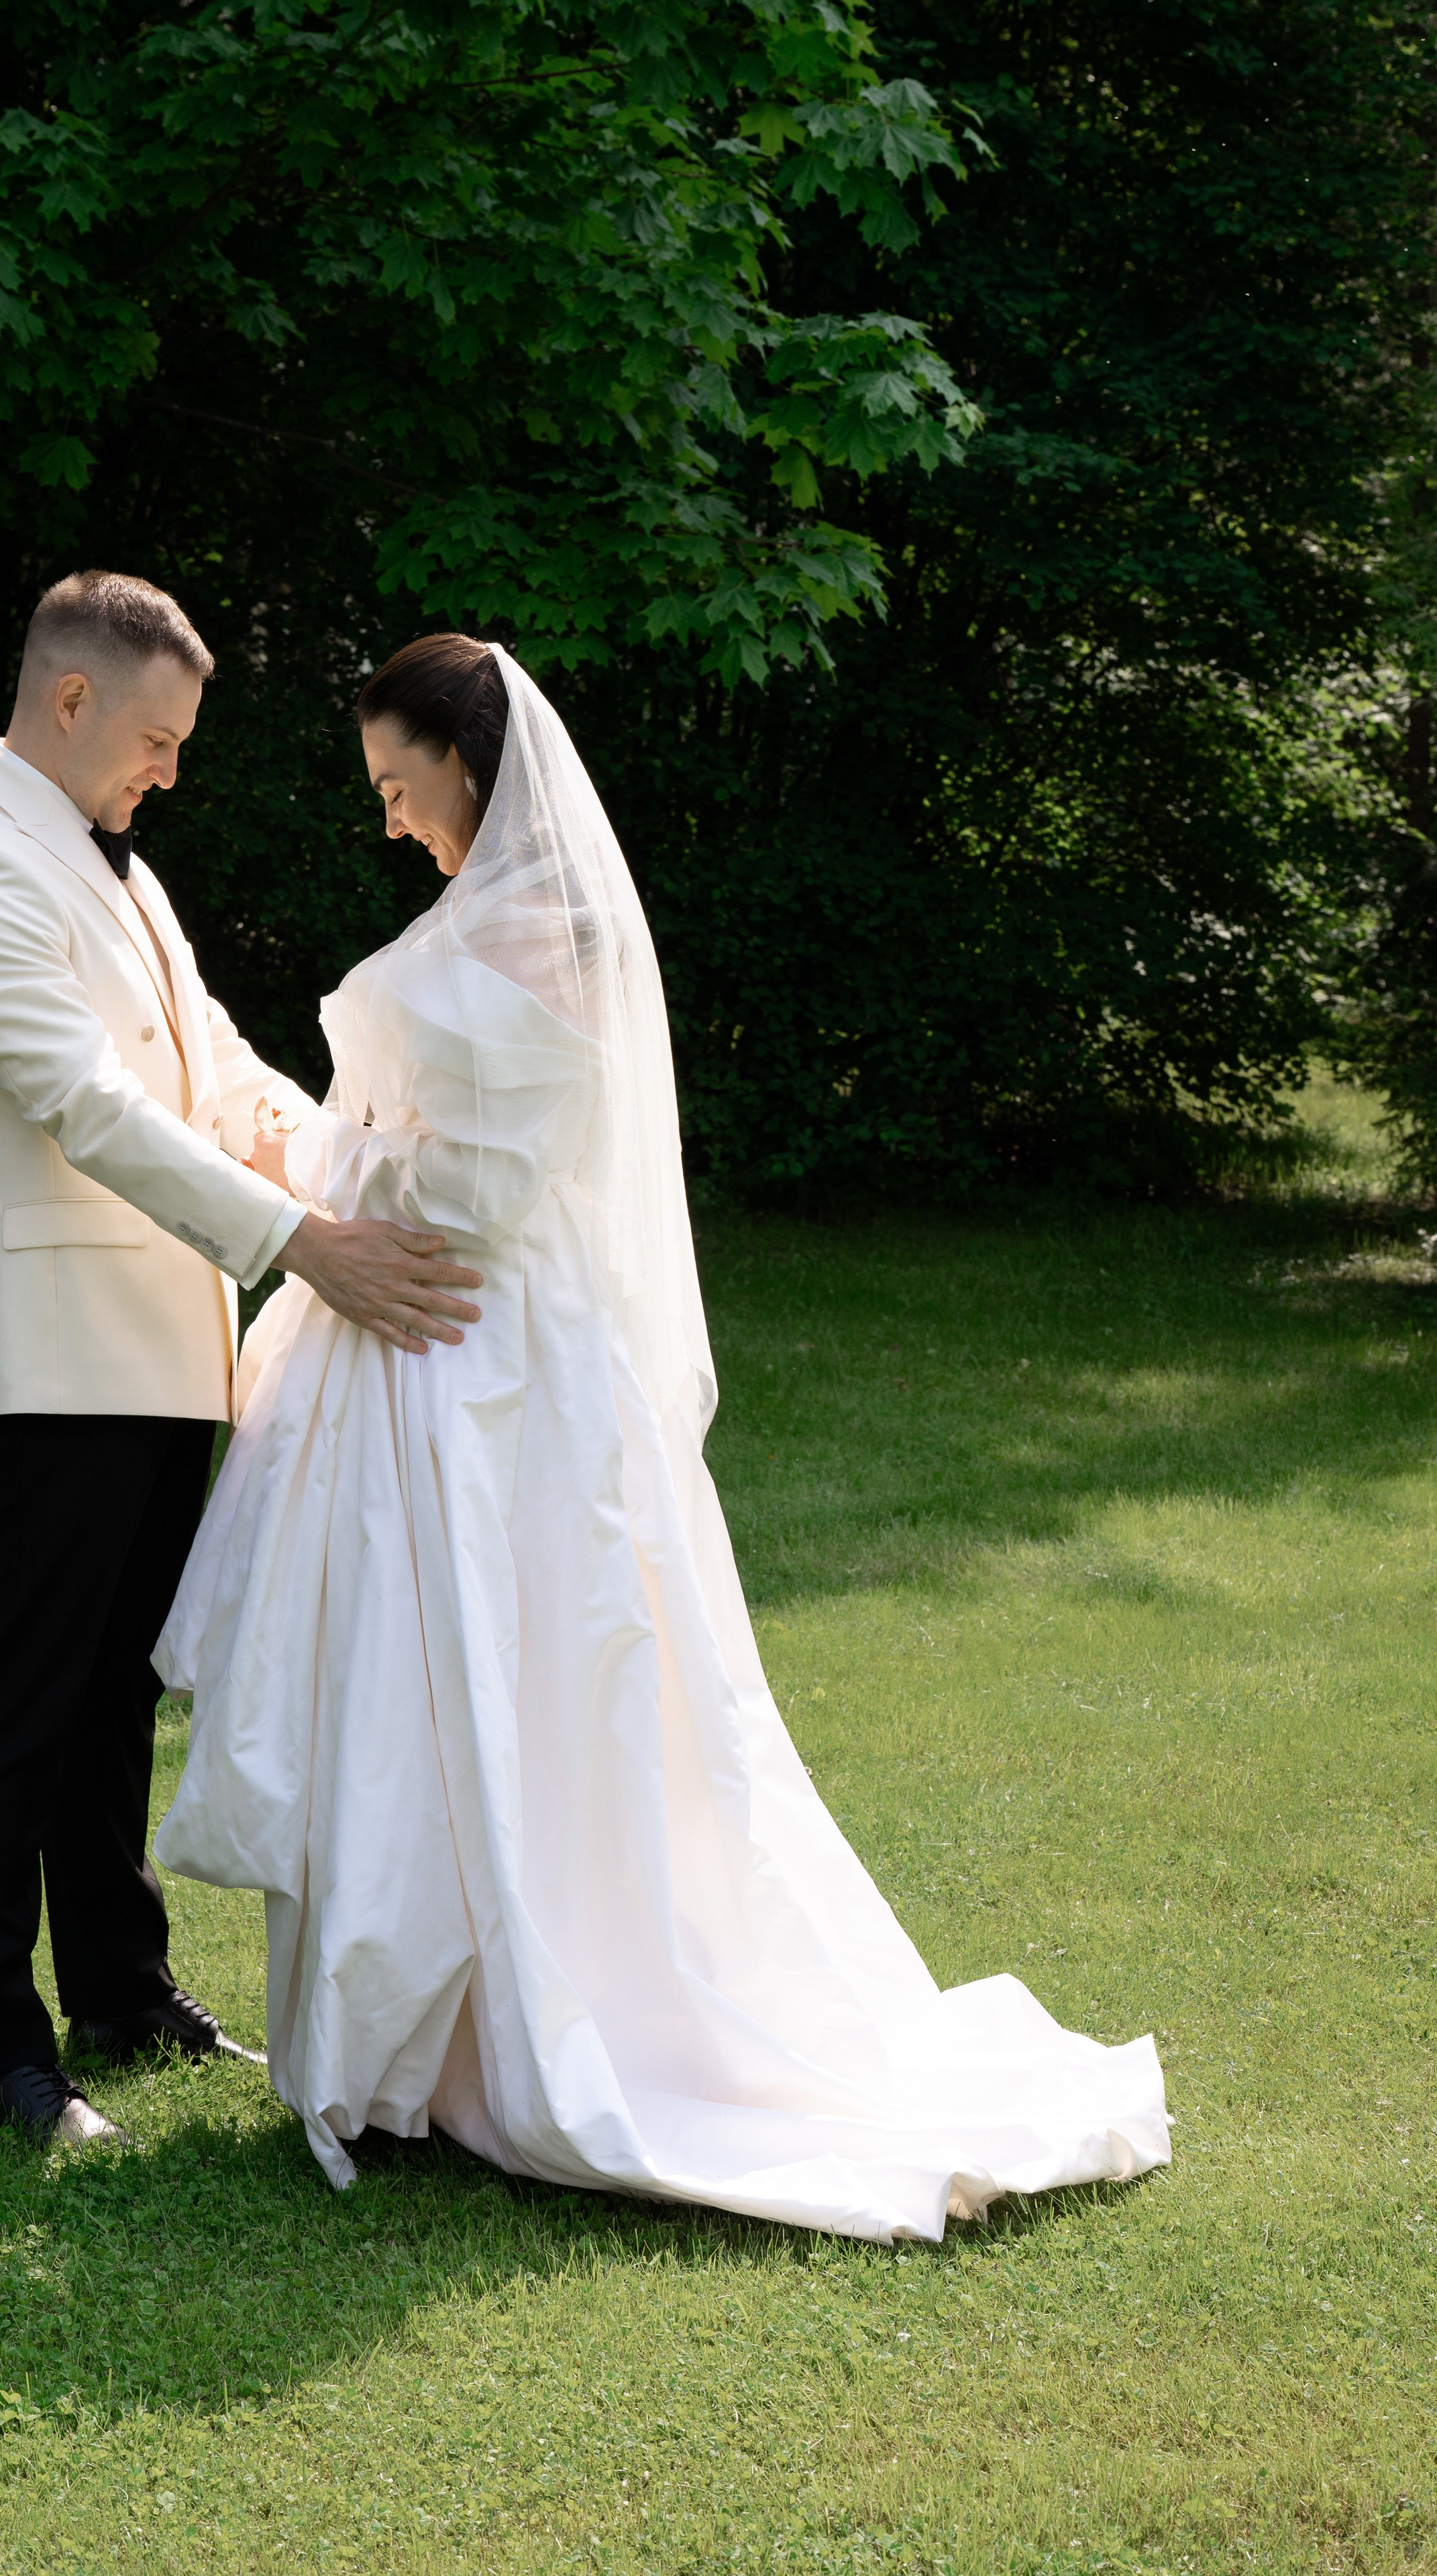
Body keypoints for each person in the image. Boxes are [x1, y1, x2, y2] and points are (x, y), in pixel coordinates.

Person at [151, 635, 1169, 2239]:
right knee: (410, 1684)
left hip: (485, 1355)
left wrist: (338, 1188)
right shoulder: (473, 922)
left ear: (468, 767)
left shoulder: (547, 937)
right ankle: (420, 2043)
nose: (391, 820)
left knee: (531, 1680)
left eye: (400, 786)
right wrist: (326, 1165)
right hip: (423, 1347)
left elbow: (483, 1187)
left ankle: (535, 2026)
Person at [0, 573, 483, 2149]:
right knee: (20, 1707)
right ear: (70, 699)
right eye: (157, 737)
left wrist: (349, 1161)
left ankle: (122, 1989)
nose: (169, 770)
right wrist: (305, 1248)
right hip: (54, 1358)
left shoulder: (120, 873)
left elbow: (208, 1069)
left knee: (109, 1702)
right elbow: (92, 1109)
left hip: (165, 1357)